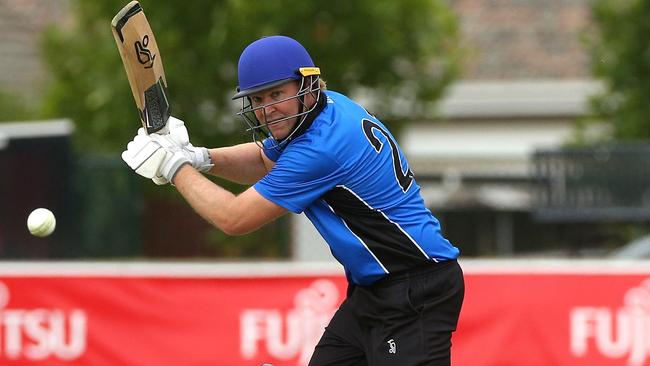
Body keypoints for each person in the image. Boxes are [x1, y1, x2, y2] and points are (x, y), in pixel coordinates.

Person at [122, 35, 464, 366]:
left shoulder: (321, 150)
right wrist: (199, 157)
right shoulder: (330, 109)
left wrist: (173, 166)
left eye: (276, 94)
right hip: (375, 290)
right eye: (257, 99)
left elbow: (233, 218)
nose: (267, 109)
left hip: (415, 291)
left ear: (308, 86)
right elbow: (262, 160)